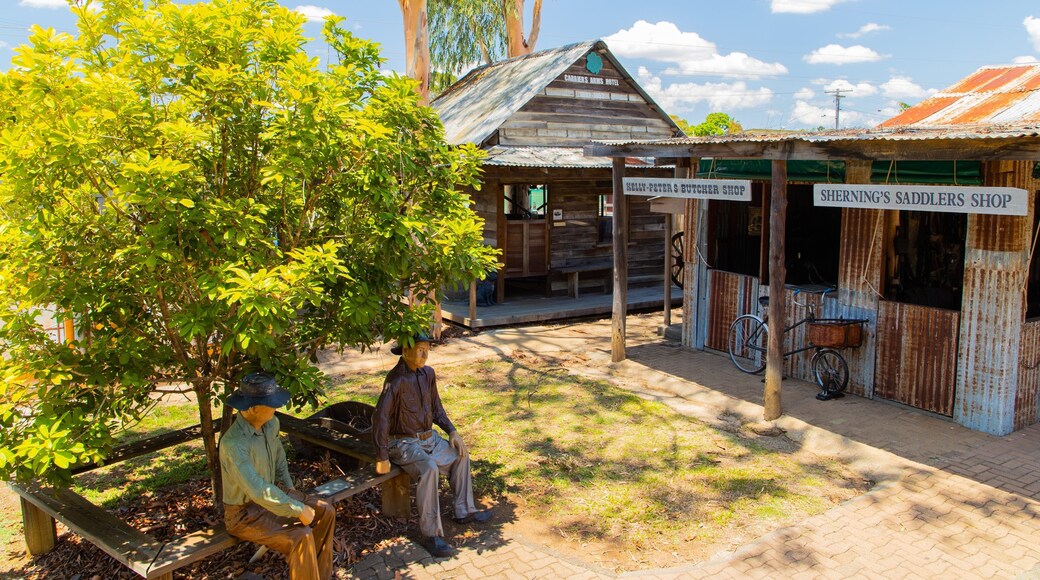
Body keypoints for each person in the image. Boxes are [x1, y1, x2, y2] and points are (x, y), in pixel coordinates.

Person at [372, 333, 491, 558]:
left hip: (429, 438)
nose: (425, 353)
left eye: (427, 348)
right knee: (429, 469)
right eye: (419, 349)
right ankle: (430, 534)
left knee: (460, 456)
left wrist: (452, 431)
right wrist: (381, 456)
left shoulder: (428, 374)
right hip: (403, 442)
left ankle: (464, 510)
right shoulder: (395, 380)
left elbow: (436, 408)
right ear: (405, 351)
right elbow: (381, 418)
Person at [219, 372, 337, 580]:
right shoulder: (233, 444)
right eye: (271, 404)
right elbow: (257, 490)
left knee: (326, 511)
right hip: (244, 513)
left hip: (273, 495)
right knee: (300, 536)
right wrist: (297, 508)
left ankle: (318, 574)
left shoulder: (271, 424)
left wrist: (292, 493)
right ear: (254, 409)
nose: (276, 408)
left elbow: (280, 459)